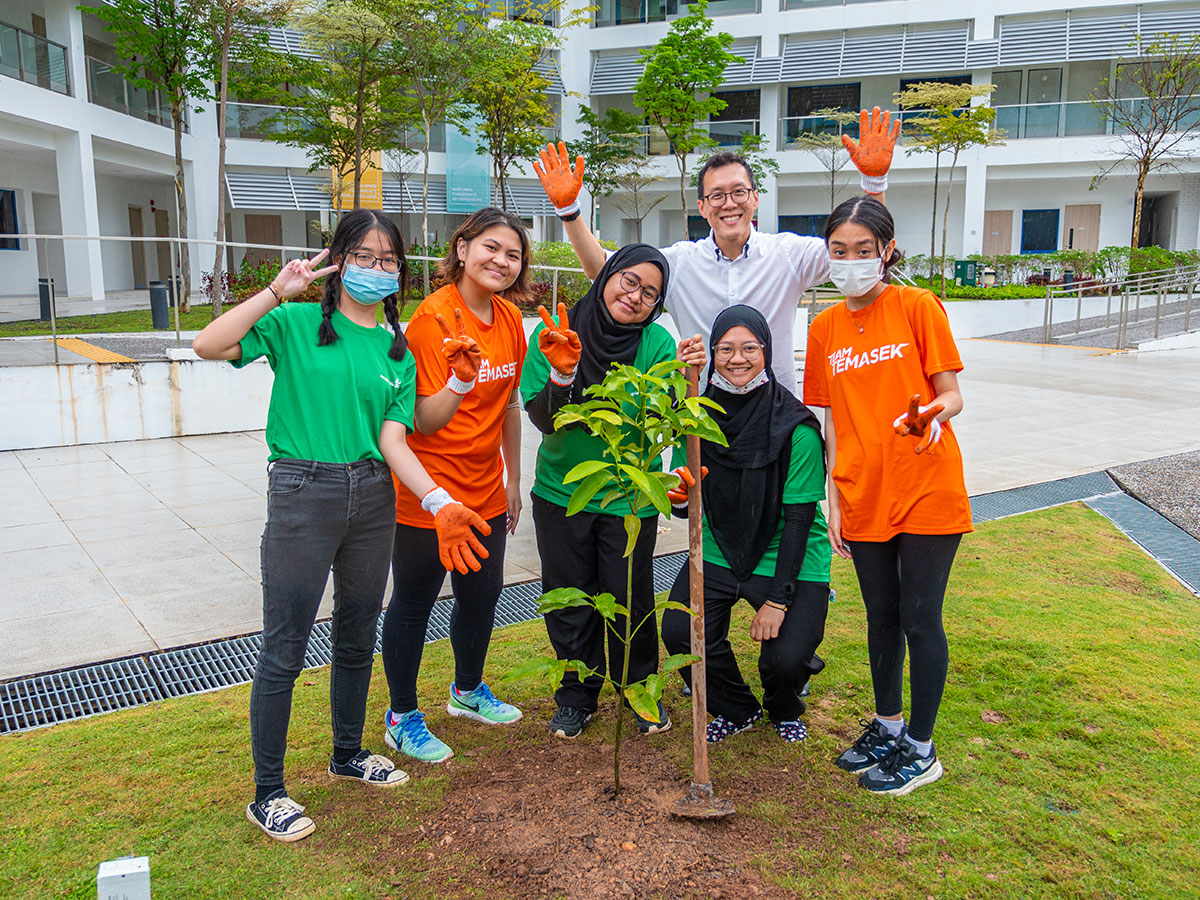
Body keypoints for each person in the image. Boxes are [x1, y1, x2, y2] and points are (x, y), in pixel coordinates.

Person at [193, 209, 492, 842]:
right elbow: (209, 344)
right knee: (286, 645)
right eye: (364, 256)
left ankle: (348, 754)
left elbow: (396, 438)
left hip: (373, 493)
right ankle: (267, 791)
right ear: (338, 260)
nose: (377, 269)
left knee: (360, 630)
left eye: (389, 261)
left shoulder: (396, 347)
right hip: (303, 489)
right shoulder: (297, 323)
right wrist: (278, 290)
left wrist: (440, 496)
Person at [532, 108, 900, 397]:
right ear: (702, 207)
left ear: (756, 198)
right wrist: (569, 211)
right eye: (717, 196)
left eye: (739, 192)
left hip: (775, 411)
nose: (729, 204)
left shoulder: (787, 254)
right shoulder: (678, 263)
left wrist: (874, 185)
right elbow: (605, 272)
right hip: (702, 418)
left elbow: (861, 252)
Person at [802, 196, 972, 795]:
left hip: (926, 484)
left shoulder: (917, 306)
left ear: (887, 252)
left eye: (864, 251)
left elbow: (951, 394)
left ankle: (922, 750)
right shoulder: (823, 327)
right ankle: (887, 725)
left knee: (921, 618)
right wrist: (836, 501)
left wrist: (932, 414)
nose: (850, 262)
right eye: (839, 252)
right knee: (881, 618)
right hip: (861, 491)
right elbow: (829, 424)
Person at [380, 208, 529, 764]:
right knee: (415, 602)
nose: (501, 261)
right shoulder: (432, 319)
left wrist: (513, 477)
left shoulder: (511, 320)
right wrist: (462, 383)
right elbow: (419, 419)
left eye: (513, 254)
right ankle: (402, 716)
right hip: (431, 494)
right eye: (490, 248)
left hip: (487, 488)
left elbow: (510, 402)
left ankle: (467, 691)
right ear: (462, 249)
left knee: (481, 596)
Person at [520, 244, 677, 739]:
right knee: (569, 598)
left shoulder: (656, 346)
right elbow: (543, 419)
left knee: (630, 597)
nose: (636, 296)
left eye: (650, 293)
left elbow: (663, 423)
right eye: (629, 281)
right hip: (562, 494)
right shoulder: (553, 334)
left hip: (627, 499)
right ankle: (576, 694)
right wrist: (563, 372)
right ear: (607, 274)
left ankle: (640, 689)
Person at [661, 306, 831, 744]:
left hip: (787, 554)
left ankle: (783, 706)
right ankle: (737, 708)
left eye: (749, 348)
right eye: (726, 349)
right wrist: (680, 499)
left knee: (786, 659)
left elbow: (798, 520)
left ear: (767, 351)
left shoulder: (796, 428)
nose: (738, 359)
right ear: (712, 355)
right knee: (681, 632)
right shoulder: (697, 418)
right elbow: (685, 500)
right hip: (721, 547)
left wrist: (778, 600)